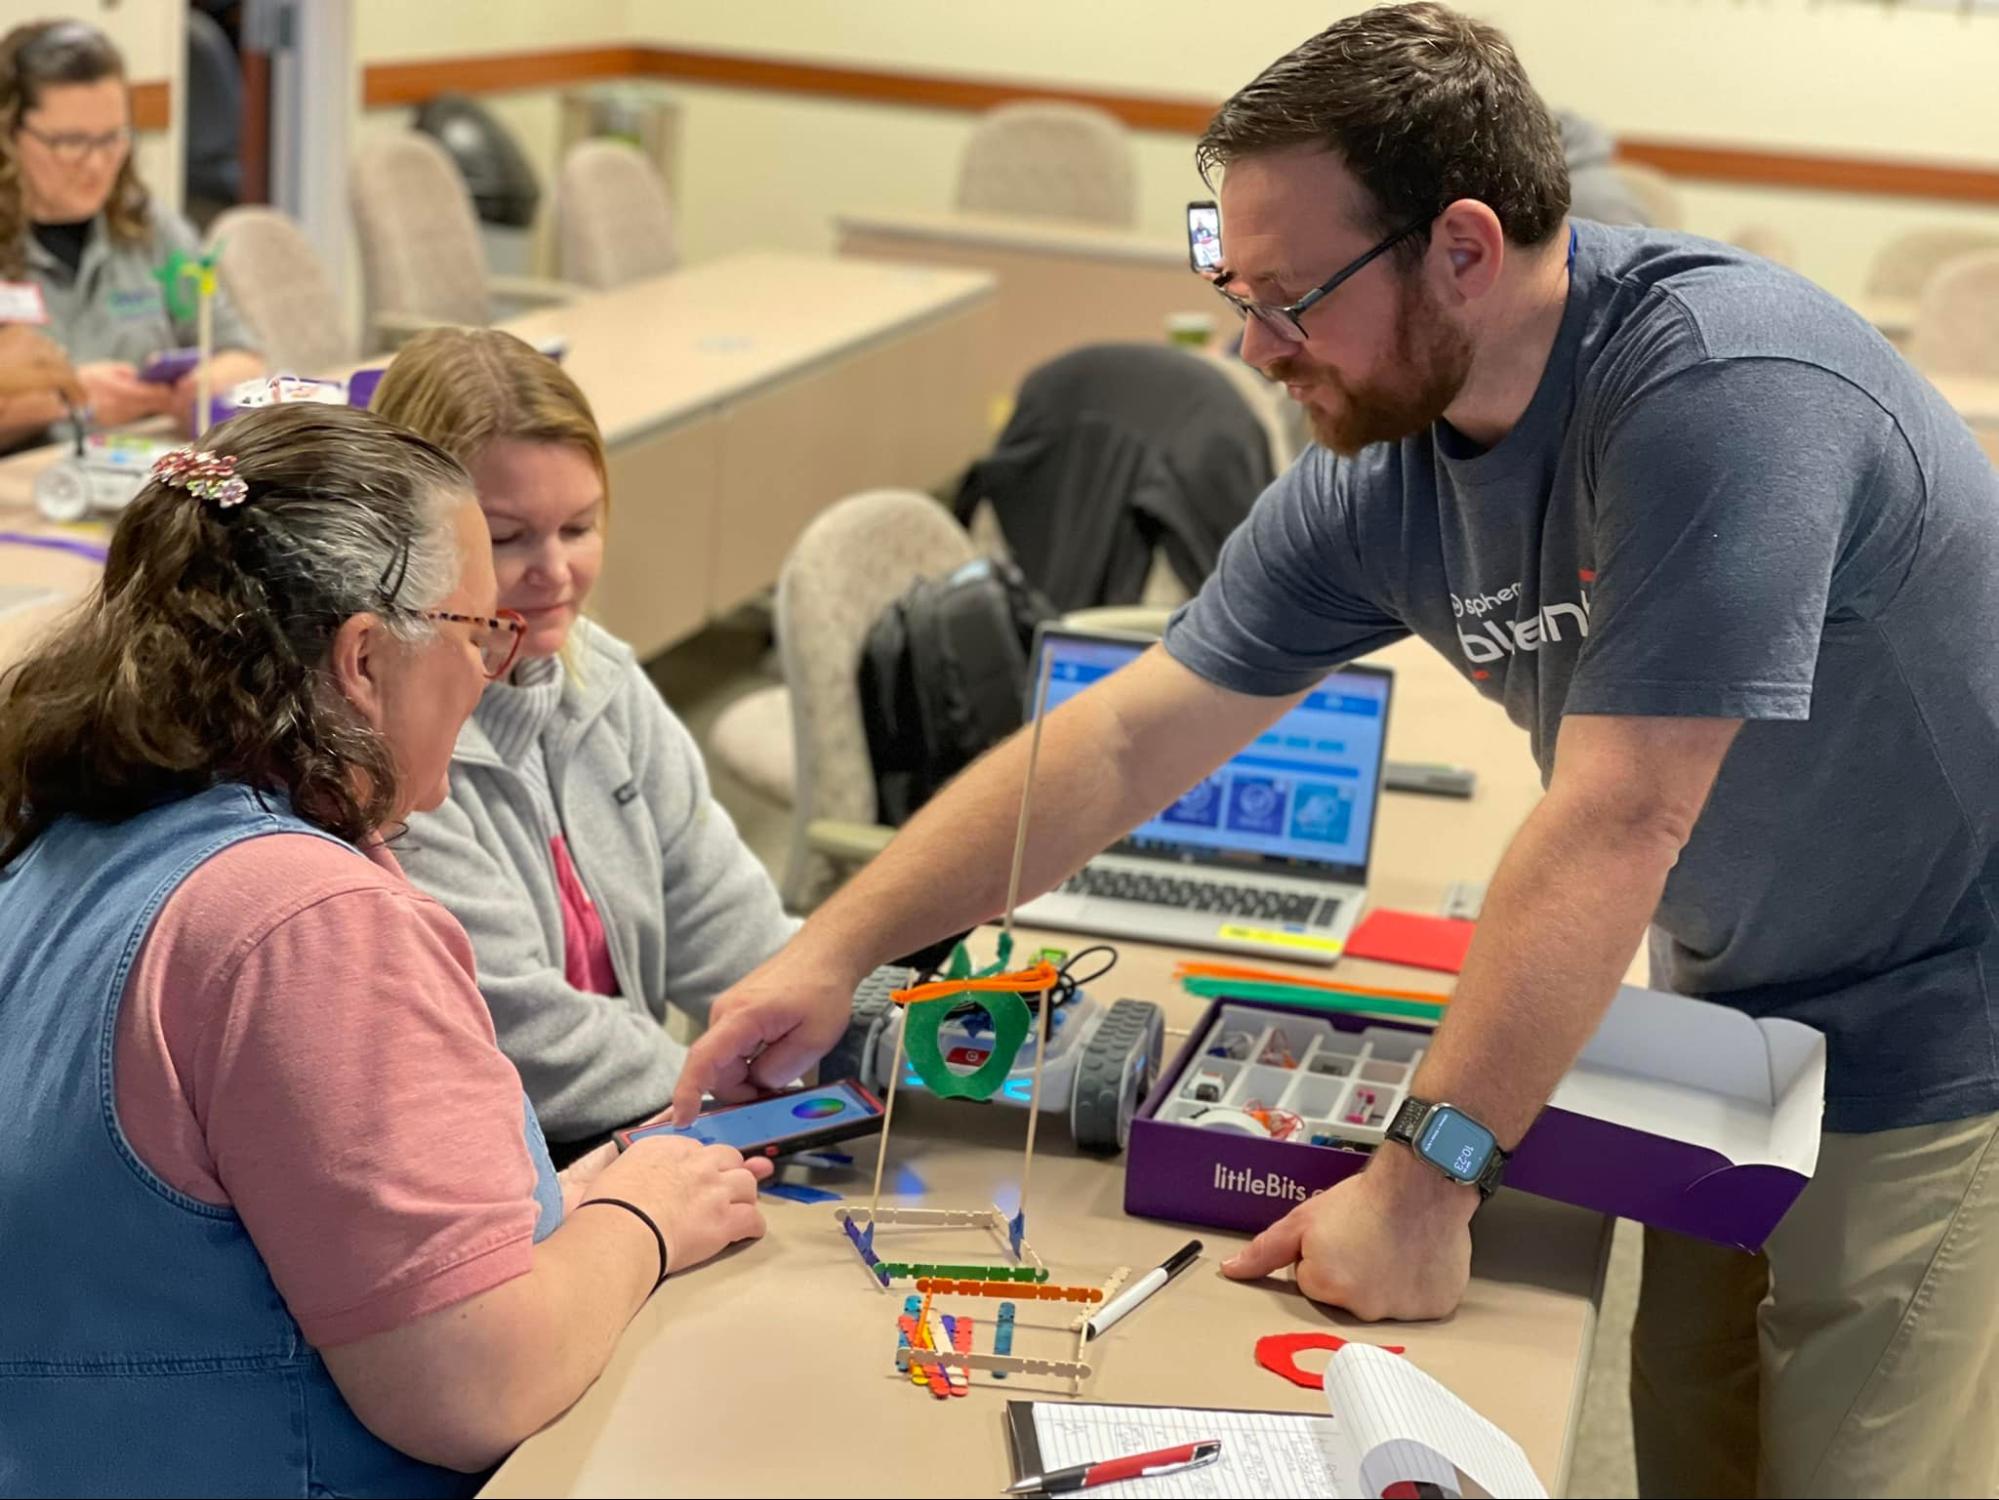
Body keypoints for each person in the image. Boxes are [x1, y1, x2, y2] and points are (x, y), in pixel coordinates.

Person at [671, 5, 1999, 1495]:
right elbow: (1119, 741)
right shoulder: (1380, 459)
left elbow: (1618, 819)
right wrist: (830, 948)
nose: (1250, 345)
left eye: (1290, 295)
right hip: (1730, 994)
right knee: (1699, 1452)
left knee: (1857, 1466)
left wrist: (1425, 1183)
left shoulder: (1715, 396)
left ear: (1463, 249)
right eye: (1230, 284)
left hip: (1944, 1002)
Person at [0, 402, 770, 1495]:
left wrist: (568, 1208)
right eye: (478, 633)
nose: (494, 671)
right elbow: (470, 1390)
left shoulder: (72, 840)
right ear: (363, 660)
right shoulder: (302, 920)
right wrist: (641, 1223)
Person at [369, 328, 797, 1159]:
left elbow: (720, 914)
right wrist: (712, 1099)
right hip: (525, 1165)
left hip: (649, 1123)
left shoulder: (599, 677)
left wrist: (863, 1026)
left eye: (578, 527)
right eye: (507, 537)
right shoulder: (395, 745)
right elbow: (525, 1031)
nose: (555, 573)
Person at [0, 18, 263, 447]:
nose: (97, 164)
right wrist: (69, 400)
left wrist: (204, 384)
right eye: (69, 142)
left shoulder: (150, 228)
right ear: (9, 136)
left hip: (147, 476)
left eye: (112, 138)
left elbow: (243, 358)